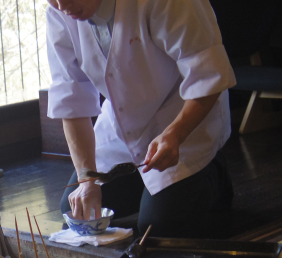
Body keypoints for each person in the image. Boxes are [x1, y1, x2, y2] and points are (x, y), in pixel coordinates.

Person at [47, 0, 236, 238]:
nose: (62, 5)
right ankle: (151, 189)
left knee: (158, 225)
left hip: (185, 116)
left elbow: (208, 74)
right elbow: (72, 101)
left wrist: (175, 133)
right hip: (123, 123)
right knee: (75, 209)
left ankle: (213, 174)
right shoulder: (58, 12)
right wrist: (87, 180)